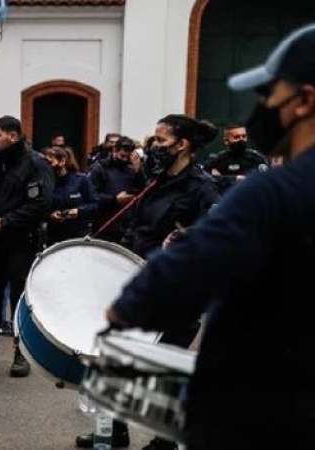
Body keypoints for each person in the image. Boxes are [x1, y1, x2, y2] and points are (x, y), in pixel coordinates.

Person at [101, 22, 315, 450]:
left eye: (271, 94)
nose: (264, 108)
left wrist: (123, 309)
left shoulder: (273, 191)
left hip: (265, 407)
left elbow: (194, 266)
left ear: (304, 101)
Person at [75, 114, 221, 450]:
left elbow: (218, 233)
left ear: (182, 145)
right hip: (140, 284)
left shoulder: (201, 188)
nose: (152, 146)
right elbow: (137, 229)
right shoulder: (155, 181)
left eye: (160, 140)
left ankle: (163, 443)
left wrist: (186, 239)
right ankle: (115, 431)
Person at [0, 115, 54, 378]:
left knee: (19, 300)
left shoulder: (36, 164)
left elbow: (40, 205)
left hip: (22, 242)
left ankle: (21, 354)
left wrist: (4, 221)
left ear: (12, 136)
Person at [87, 136, 147, 243]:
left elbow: (143, 190)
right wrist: (114, 200)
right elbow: (91, 195)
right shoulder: (99, 168)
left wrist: (139, 171)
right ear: (114, 151)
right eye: (122, 156)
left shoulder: (132, 168)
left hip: (127, 224)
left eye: (127, 157)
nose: (124, 160)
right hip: (105, 221)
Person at [42, 146, 98, 246]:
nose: (48, 166)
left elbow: (94, 205)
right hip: (55, 238)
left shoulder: (81, 180)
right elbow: (39, 209)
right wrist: (50, 216)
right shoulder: (46, 183)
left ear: (62, 161)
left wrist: (79, 211)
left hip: (78, 237)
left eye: (51, 162)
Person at [202, 123, 269, 194]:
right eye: (236, 137)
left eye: (244, 136)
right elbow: (206, 180)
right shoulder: (216, 161)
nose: (241, 140)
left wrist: (221, 177)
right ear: (226, 141)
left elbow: (264, 180)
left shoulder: (256, 158)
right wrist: (234, 179)